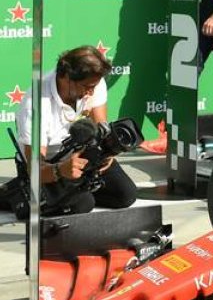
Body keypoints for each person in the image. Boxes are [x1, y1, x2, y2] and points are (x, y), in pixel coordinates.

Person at [14, 46, 137, 215]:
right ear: (66, 77)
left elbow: (102, 127)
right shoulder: (35, 104)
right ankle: (17, 194)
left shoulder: (93, 81)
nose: (91, 91)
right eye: (87, 86)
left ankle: (73, 192)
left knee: (125, 195)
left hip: (80, 152)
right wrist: (60, 170)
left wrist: (107, 153)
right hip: (49, 163)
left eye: (94, 85)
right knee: (83, 204)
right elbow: (35, 168)